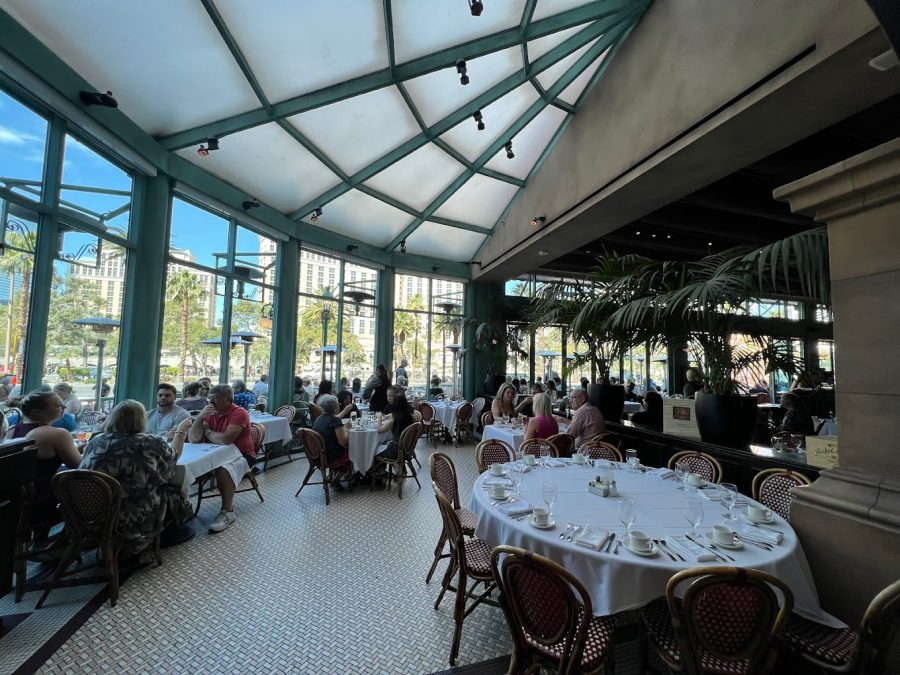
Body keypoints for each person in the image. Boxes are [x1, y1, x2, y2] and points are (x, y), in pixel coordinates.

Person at [79, 400, 193, 554]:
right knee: (173, 488)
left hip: (92, 511)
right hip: (132, 514)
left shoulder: (96, 440)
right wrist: (181, 431)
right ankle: (166, 533)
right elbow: (173, 458)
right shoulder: (149, 442)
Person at [6, 391, 81, 542]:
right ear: (37, 412)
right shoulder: (57, 434)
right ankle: (66, 544)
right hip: (42, 500)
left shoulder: (13, 430)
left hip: (15, 500)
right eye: (58, 405)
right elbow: (79, 464)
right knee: (92, 493)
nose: (64, 407)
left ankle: (41, 543)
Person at [188, 384, 255, 533]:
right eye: (209, 397)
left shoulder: (239, 413)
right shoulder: (209, 412)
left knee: (223, 469)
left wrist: (208, 431)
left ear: (228, 399)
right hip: (213, 453)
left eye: (215, 398)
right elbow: (194, 439)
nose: (210, 401)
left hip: (242, 455)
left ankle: (227, 512)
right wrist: (200, 418)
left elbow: (226, 440)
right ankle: (183, 508)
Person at [311, 394, 352, 479]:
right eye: (338, 404)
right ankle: (337, 478)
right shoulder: (335, 421)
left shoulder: (319, 419)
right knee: (352, 451)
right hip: (330, 457)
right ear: (335, 407)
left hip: (317, 455)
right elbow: (343, 442)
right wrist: (347, 429)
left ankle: (332, 475)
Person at [374, 394, 416, 461]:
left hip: (395, 452)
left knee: (373, 449)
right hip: (407, 449)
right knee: (382, 444)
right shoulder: (411, 417)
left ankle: (377, 470)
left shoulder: (396, 420)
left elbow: (380, 430)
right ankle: (381, 469)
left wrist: (379, 417)